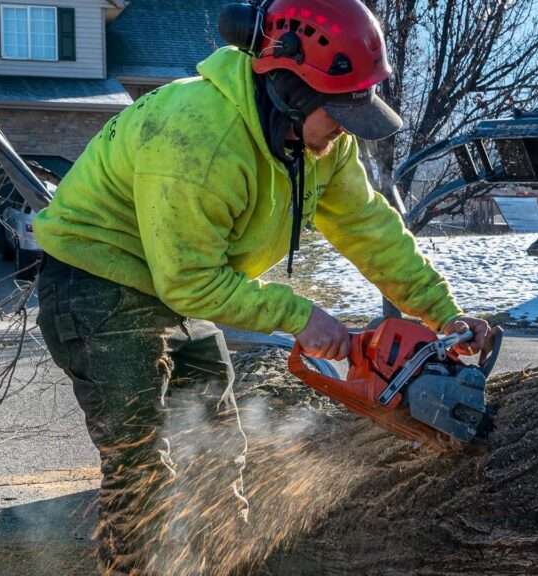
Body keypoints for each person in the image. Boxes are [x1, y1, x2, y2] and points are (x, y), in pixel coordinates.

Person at [32, 0, 489, 571]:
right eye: (339, 112)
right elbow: (192, 281)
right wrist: (298, 315)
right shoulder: (199, 134)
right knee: (144, 458)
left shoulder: (321, 143)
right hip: (97, 280)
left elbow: (370, 229)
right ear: (291, 90)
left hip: (173, 282)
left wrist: (441, 315)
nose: (345, 130)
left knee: (221, 448)